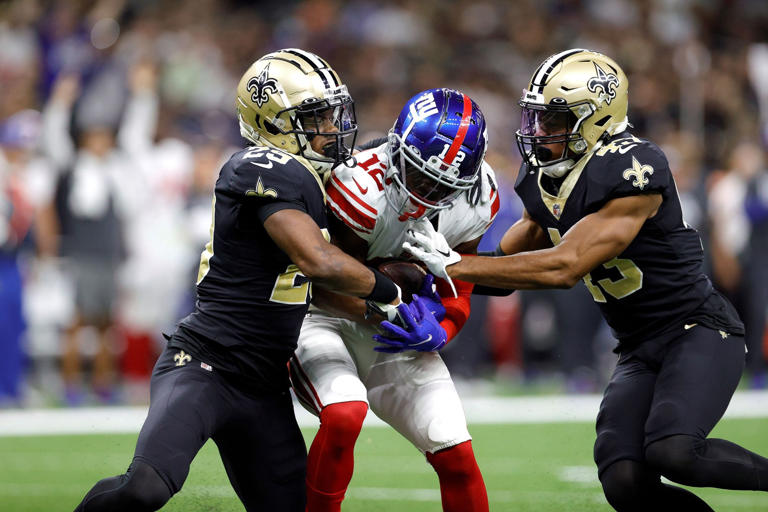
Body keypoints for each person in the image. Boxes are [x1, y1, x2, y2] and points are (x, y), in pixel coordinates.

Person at [403, 49, 768, 512]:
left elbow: (564, 265)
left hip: (696, 331)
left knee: (674, 451)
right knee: (624, 479)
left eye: (553, 121)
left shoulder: (634, 166)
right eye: (535, 119)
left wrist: (451, 265)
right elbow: (505, 267)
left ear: (597, 119)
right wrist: (413, 274)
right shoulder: (545, 177)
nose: (538, 134)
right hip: (638, 346)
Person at [73, 48, 403, 512]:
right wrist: (395, 293)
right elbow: (319, 262)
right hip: (206, 365)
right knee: (145, 487)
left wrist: (383, 309)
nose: (331, 128)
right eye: (315, 117)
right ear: (271, 123)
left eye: (332, 115)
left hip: (264, 383)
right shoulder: (258, 167)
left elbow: (319, 288)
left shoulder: (317, 180)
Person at [290, 88, 499, 512]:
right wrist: (390, 305)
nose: (425, 191)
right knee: (345, 413)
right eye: (419, 175)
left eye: (442, 186)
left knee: (454, 448)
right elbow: (317, 281)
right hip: (323, 316)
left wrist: (442, 329)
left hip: (389, 328)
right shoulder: (356, 185)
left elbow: (460, 278)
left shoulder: (477, 199)